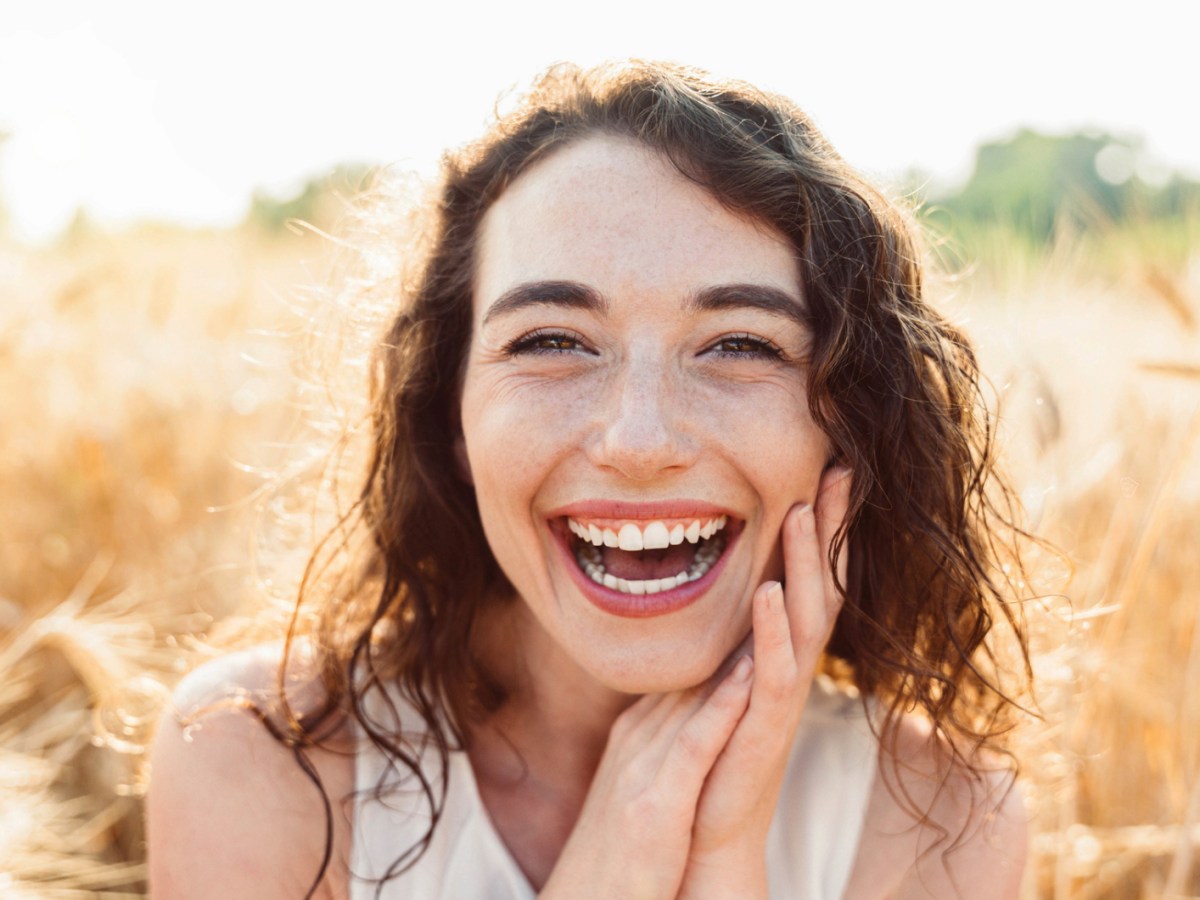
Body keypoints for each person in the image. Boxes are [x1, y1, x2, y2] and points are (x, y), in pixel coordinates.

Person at [147, 60, 1034, 899]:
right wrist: (612, 863)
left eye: (740, 344)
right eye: (552, 342)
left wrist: (723, 861)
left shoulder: (940, 816)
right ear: (450, 418)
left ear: (850, 428)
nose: (639, 441)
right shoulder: (264, 756)